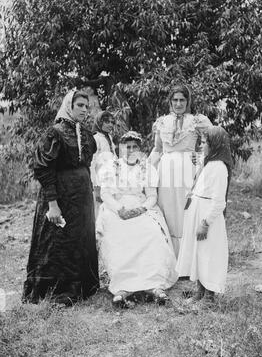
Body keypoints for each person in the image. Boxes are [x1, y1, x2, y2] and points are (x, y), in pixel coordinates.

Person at [22, 89, 100, 306]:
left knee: (79, 239)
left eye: (87, 106)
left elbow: (86, 163)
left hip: (81, 198)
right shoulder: (55, 133)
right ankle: (57, 290)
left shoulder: (85, 134)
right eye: (80, 106)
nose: (84, 110)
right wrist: (52, 205)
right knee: (58, 240)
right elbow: (44, 169)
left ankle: (80, 287)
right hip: (60, 196)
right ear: (69, 106)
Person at [96, 131, 178, 306]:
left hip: (141, 208)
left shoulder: (146, 168)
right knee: (120, 235)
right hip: (117, 209)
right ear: (120, 148)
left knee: (152, 234)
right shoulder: (112, 167)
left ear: (140, 150)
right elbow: (106, 194)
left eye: (135, 147)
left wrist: (142, 208)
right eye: (127, 147)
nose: (131, 150)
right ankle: (123, 289)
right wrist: (119, 210)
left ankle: (154, 287)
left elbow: (151, 196)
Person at [150, 84, 212, 257]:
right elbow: (157, 149)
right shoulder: (162, 122)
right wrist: (146, 169)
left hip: (187, 170)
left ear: (188, 101)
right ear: (170, 102)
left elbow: (213, 142)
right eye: (175, 100)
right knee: (168, 209)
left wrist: (199, 157)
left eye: (182, 100)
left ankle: (188, 258)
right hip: (166, 171)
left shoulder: (197, 121)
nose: (178, 104)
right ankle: (171, 257)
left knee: (186, 208)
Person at [176, 126, 233, 303]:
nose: (201, 146)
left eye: (204, 142)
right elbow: (201, 178)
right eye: (201, 142)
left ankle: (209, 296)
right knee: (198, 252)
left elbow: (219, 202)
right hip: (198, 210)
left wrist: (205, 223)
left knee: (209, 254)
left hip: (207, 216)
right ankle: (199, 291)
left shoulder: (219, 167)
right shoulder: (210, 162)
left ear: (215, 144)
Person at [90, 111, 117, 217]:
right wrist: (96, 187)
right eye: (107, 122)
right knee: (99, 209)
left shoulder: (108, 138)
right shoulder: (96, 138)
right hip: (100, 181)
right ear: (99, 123)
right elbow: (92, 163)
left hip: (110, 179)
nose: (110, 124)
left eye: (112, 122)